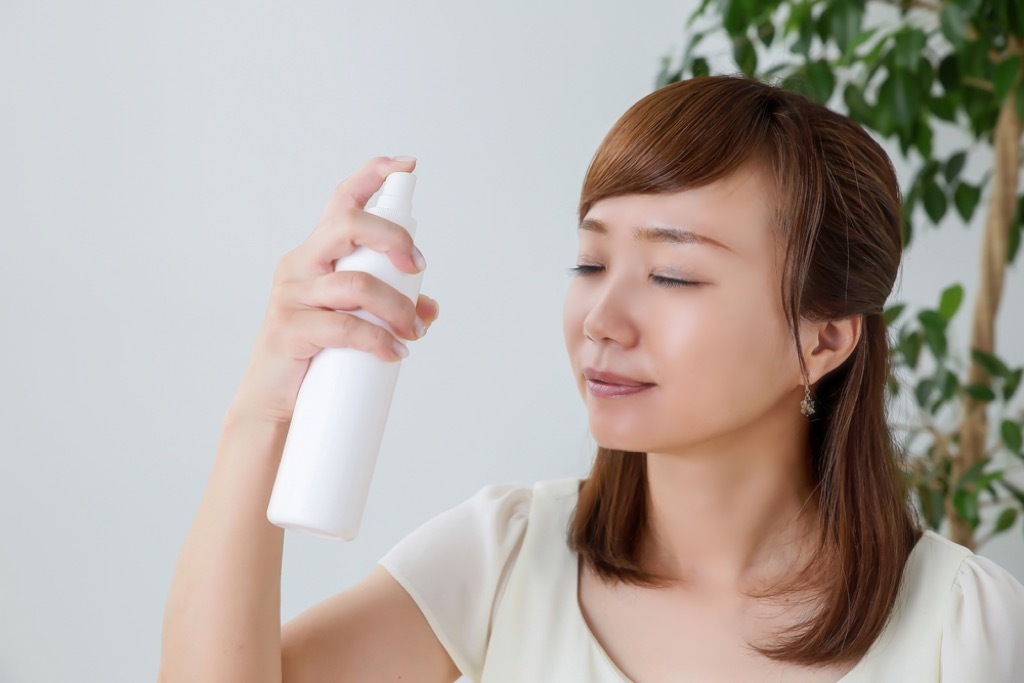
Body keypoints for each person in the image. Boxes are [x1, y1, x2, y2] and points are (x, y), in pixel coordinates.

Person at [158, 75, 1024, 682]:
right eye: (589, 261)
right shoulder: (502, 558)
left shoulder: (964, 625)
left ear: (824, 339)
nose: (601, 318)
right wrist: (263, 411)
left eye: (674, 275)